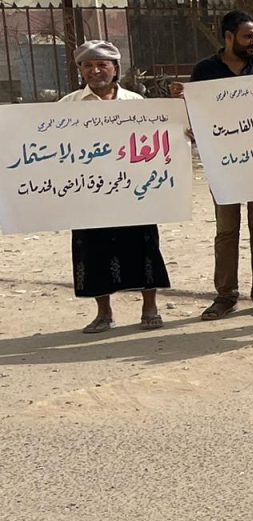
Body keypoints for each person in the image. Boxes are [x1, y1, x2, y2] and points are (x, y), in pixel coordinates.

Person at [63, 40, 166, 333]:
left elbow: (159, 139)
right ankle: (104, 314)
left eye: (102, 65)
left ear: (115, 68)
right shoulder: (67, 106)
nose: (95, 71)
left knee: (143, 246)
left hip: (133, 191)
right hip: (88, 192)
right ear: (80, 69)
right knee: (92, 250)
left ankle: (150, 308)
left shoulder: (136, 103)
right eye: (88, 65)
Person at [187, 11, 253, 319]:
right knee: (227, 230)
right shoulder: (205, 72)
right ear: (228, 37)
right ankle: (225, 295)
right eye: (247, 36)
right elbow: (194, 112)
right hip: (223, 164)